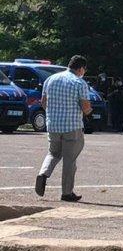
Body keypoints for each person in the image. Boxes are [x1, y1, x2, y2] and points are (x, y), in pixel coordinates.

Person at [34, 56, 92, 202]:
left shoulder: (50, 80)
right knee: (69, 159)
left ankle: (43, 174)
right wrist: (90, 112)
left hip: (53, 125)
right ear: (80, 69)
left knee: (53, 153)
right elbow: (85, 108)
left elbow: (44, 102)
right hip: (72, 126)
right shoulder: (79, 83)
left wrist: (53, 114)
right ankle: (66, 192)